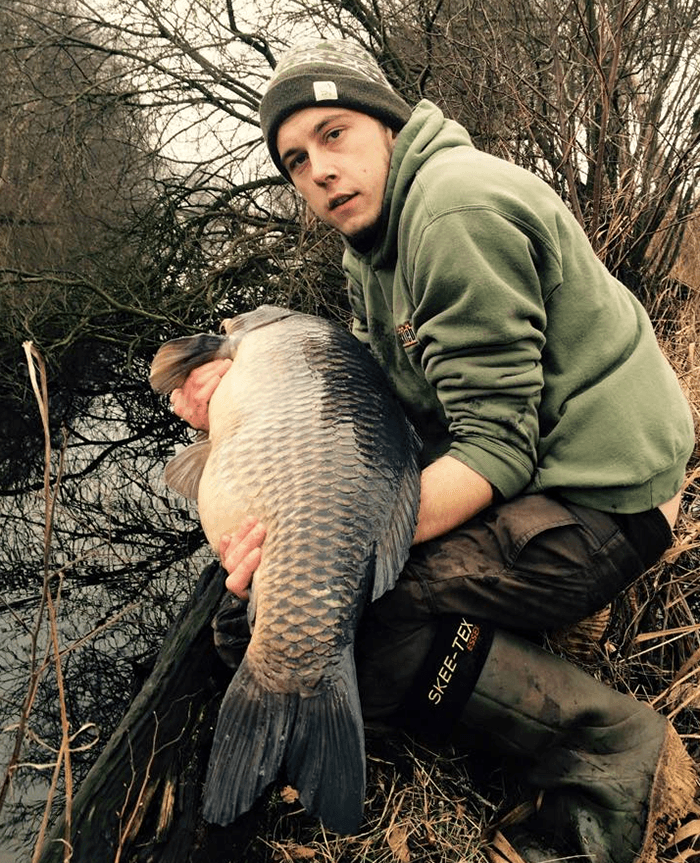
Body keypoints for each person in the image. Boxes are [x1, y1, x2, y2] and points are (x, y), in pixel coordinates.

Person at [170, 40, 698, 862]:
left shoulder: (453, 211)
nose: (318, 170)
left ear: (388, 123)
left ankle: (616, 749)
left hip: (606, 498)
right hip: (562, 464)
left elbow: (494, 450)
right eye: (296, 160)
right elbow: (398, 407)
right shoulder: (374, 246)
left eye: (335, 134)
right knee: (311, 603)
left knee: (366, 616)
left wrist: (323, 548)